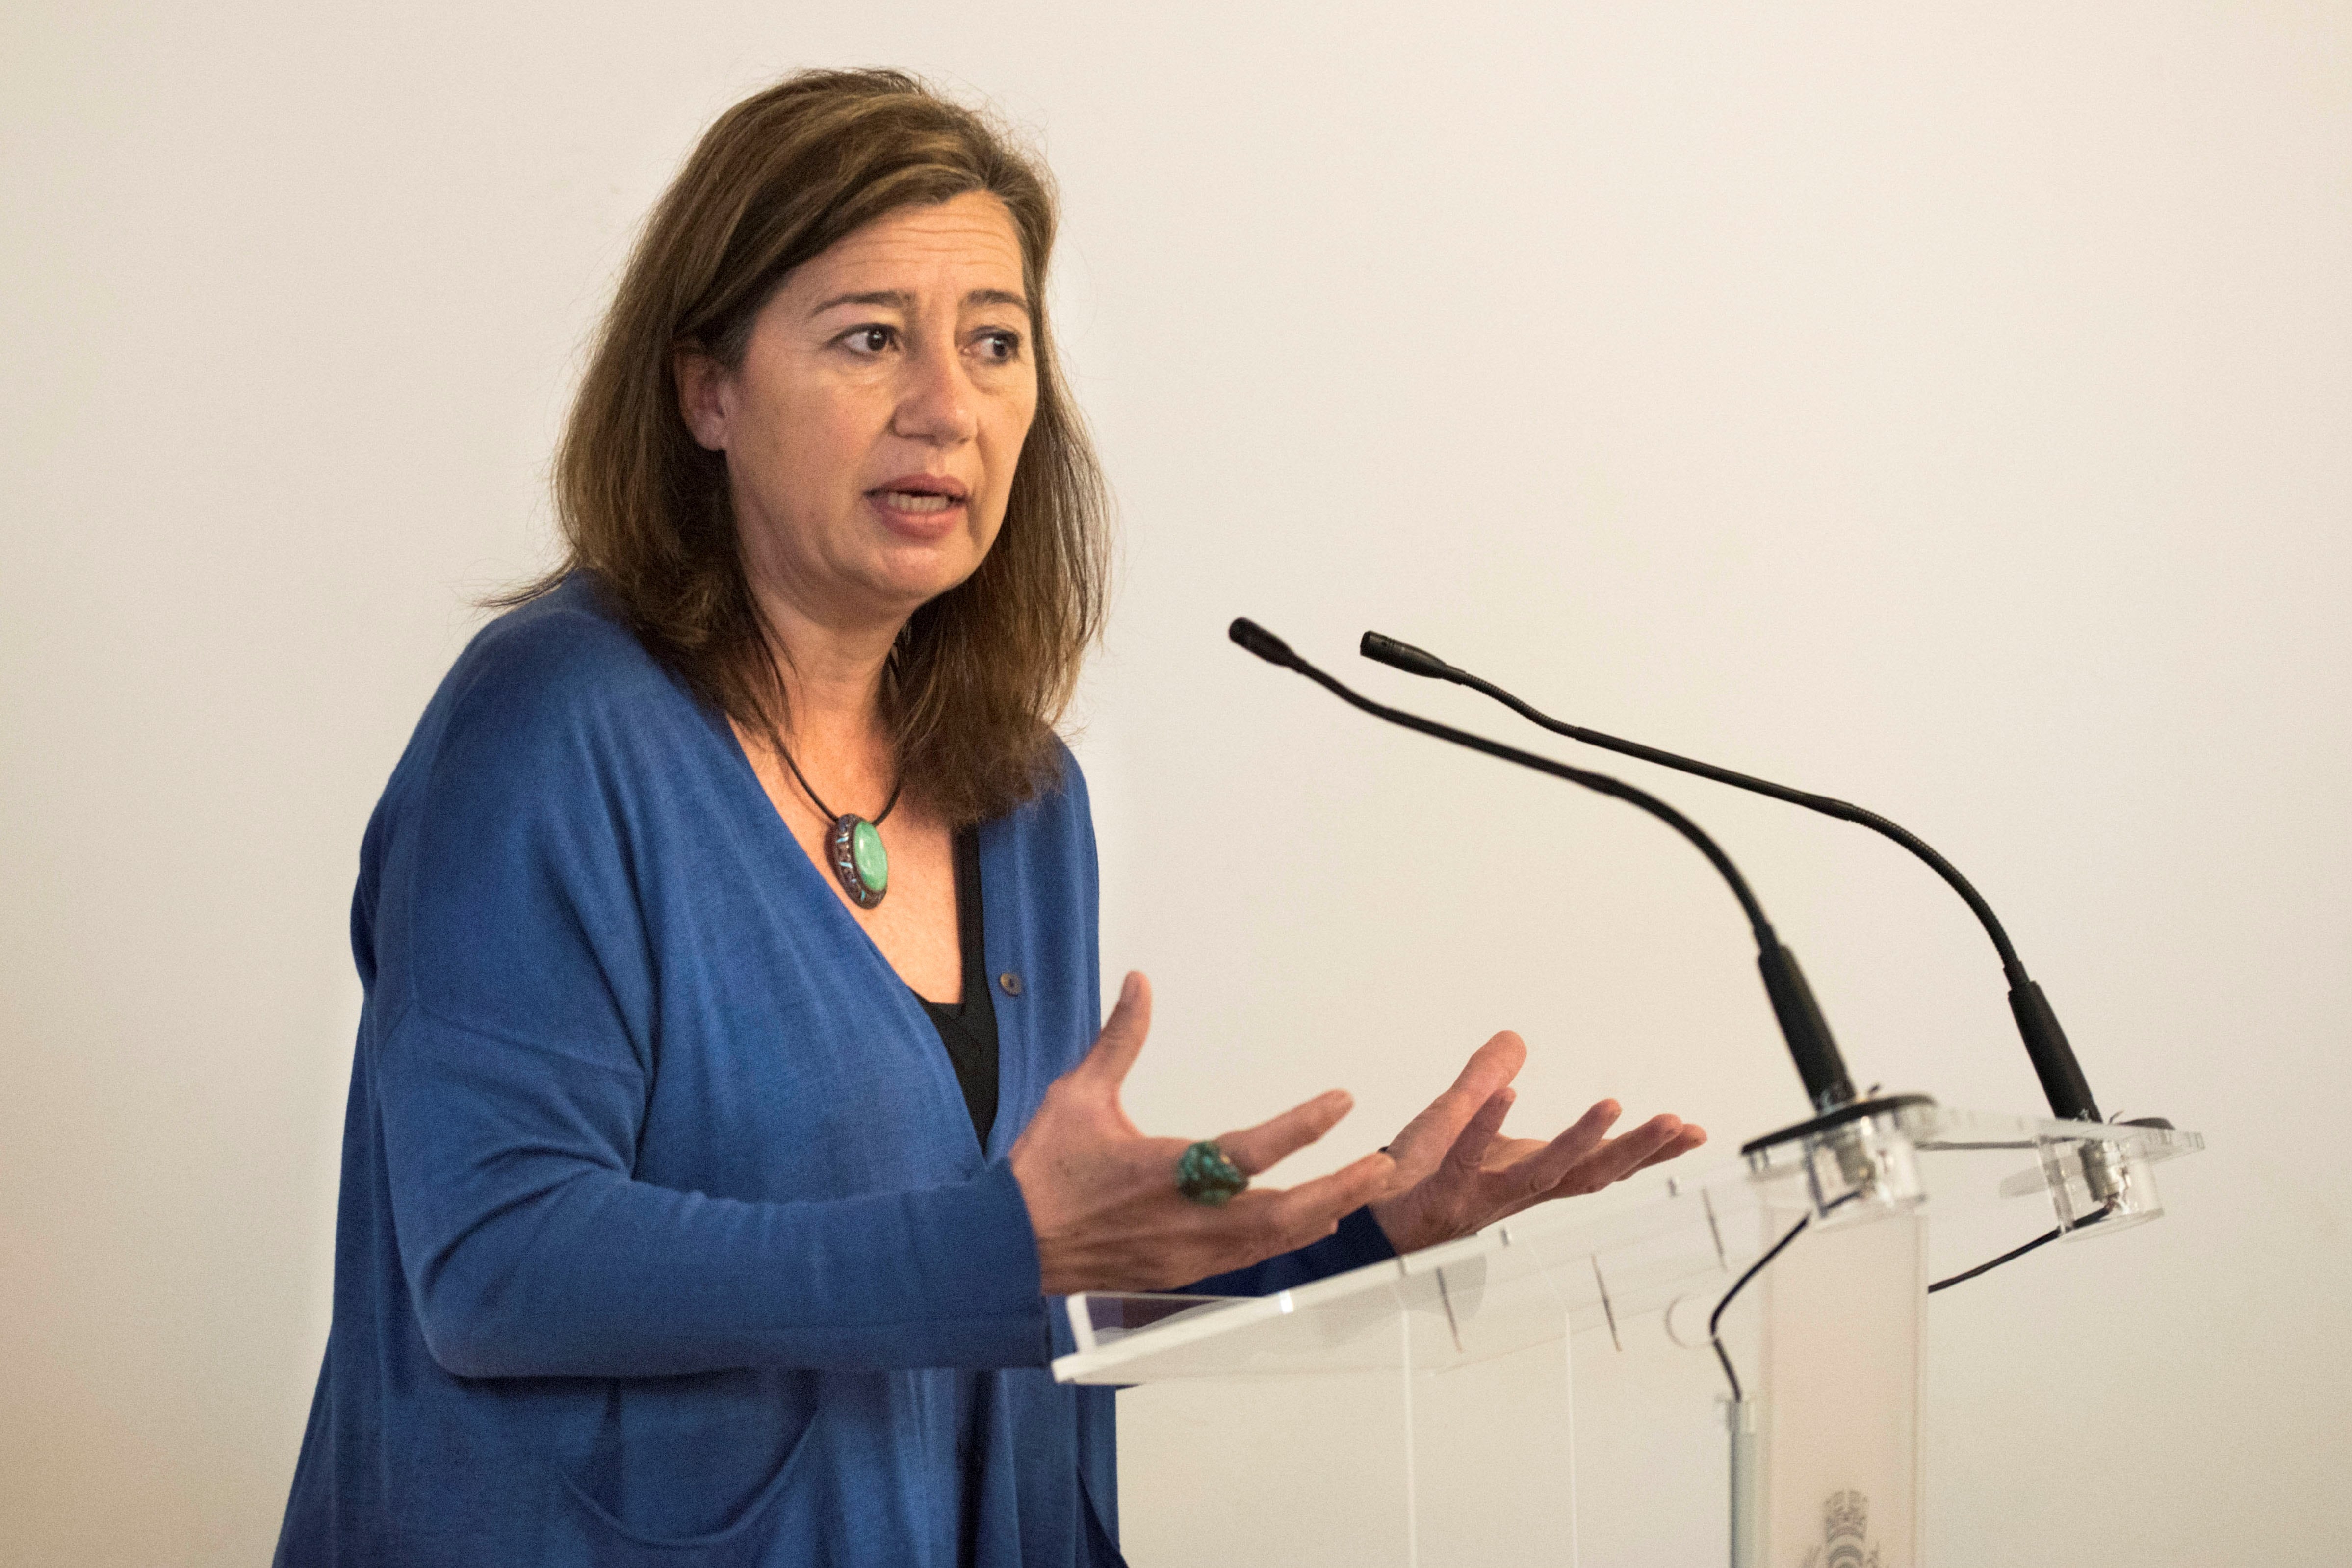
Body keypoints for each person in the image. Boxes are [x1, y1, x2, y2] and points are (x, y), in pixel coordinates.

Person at [273, 68, 1706, 1568]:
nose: (946, 407)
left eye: (995, 343)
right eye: (870, 338)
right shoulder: (550, 729)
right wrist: (1010, 1244)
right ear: (707, 388)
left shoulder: (1017, 795)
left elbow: (1008, 1282)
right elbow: (497, 1268)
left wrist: (1345, 1234)